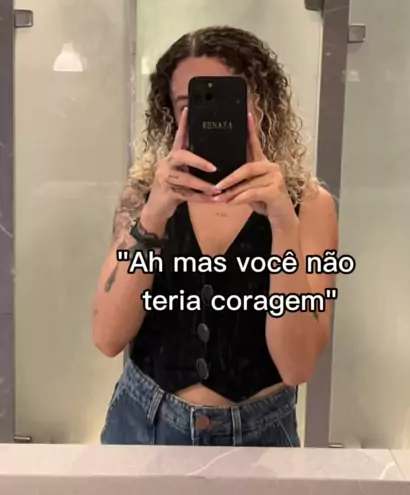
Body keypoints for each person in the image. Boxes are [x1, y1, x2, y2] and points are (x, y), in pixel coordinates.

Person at [92, 25, 338, 447]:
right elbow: (108, 337)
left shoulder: (309, 205)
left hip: (260, 436)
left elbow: (297, 366)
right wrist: (154, 215)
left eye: (230, 100)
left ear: (262, 104)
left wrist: (283, 225)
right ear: (171, 114)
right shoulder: (145, 196)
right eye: (188, 104)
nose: (212, 117)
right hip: (143, 423)